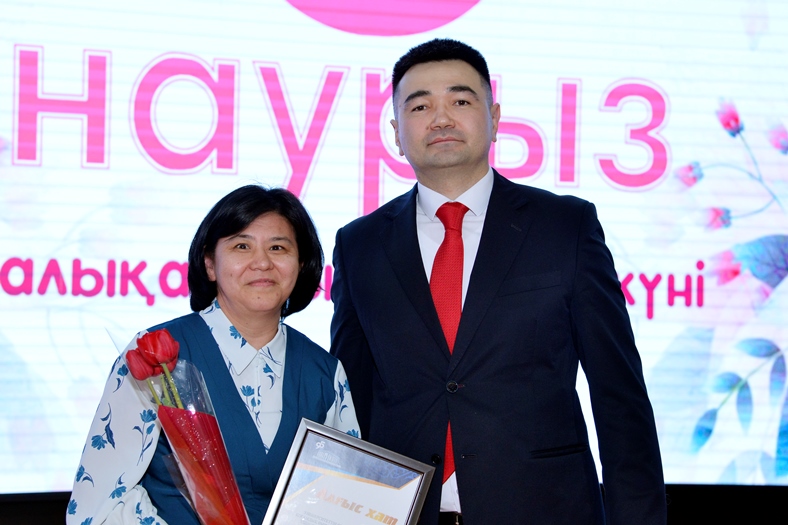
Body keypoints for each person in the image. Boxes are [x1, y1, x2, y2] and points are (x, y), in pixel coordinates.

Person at [330, 38, 666, 524]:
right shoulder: (360, 244)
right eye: (420, 106)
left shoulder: (565, 227)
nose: (440, 119)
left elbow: (619, 395)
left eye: (460, 101)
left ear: (494, 117)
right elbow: (350, 401)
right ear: (397, 133)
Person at [69, 186, 360, 525]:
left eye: (278, 247)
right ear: (210, 264)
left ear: (301, 264)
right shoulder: (156, 356)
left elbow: (344, 502)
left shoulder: (325, 373)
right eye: (242, 246)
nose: (262, 262)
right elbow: (97, 506)